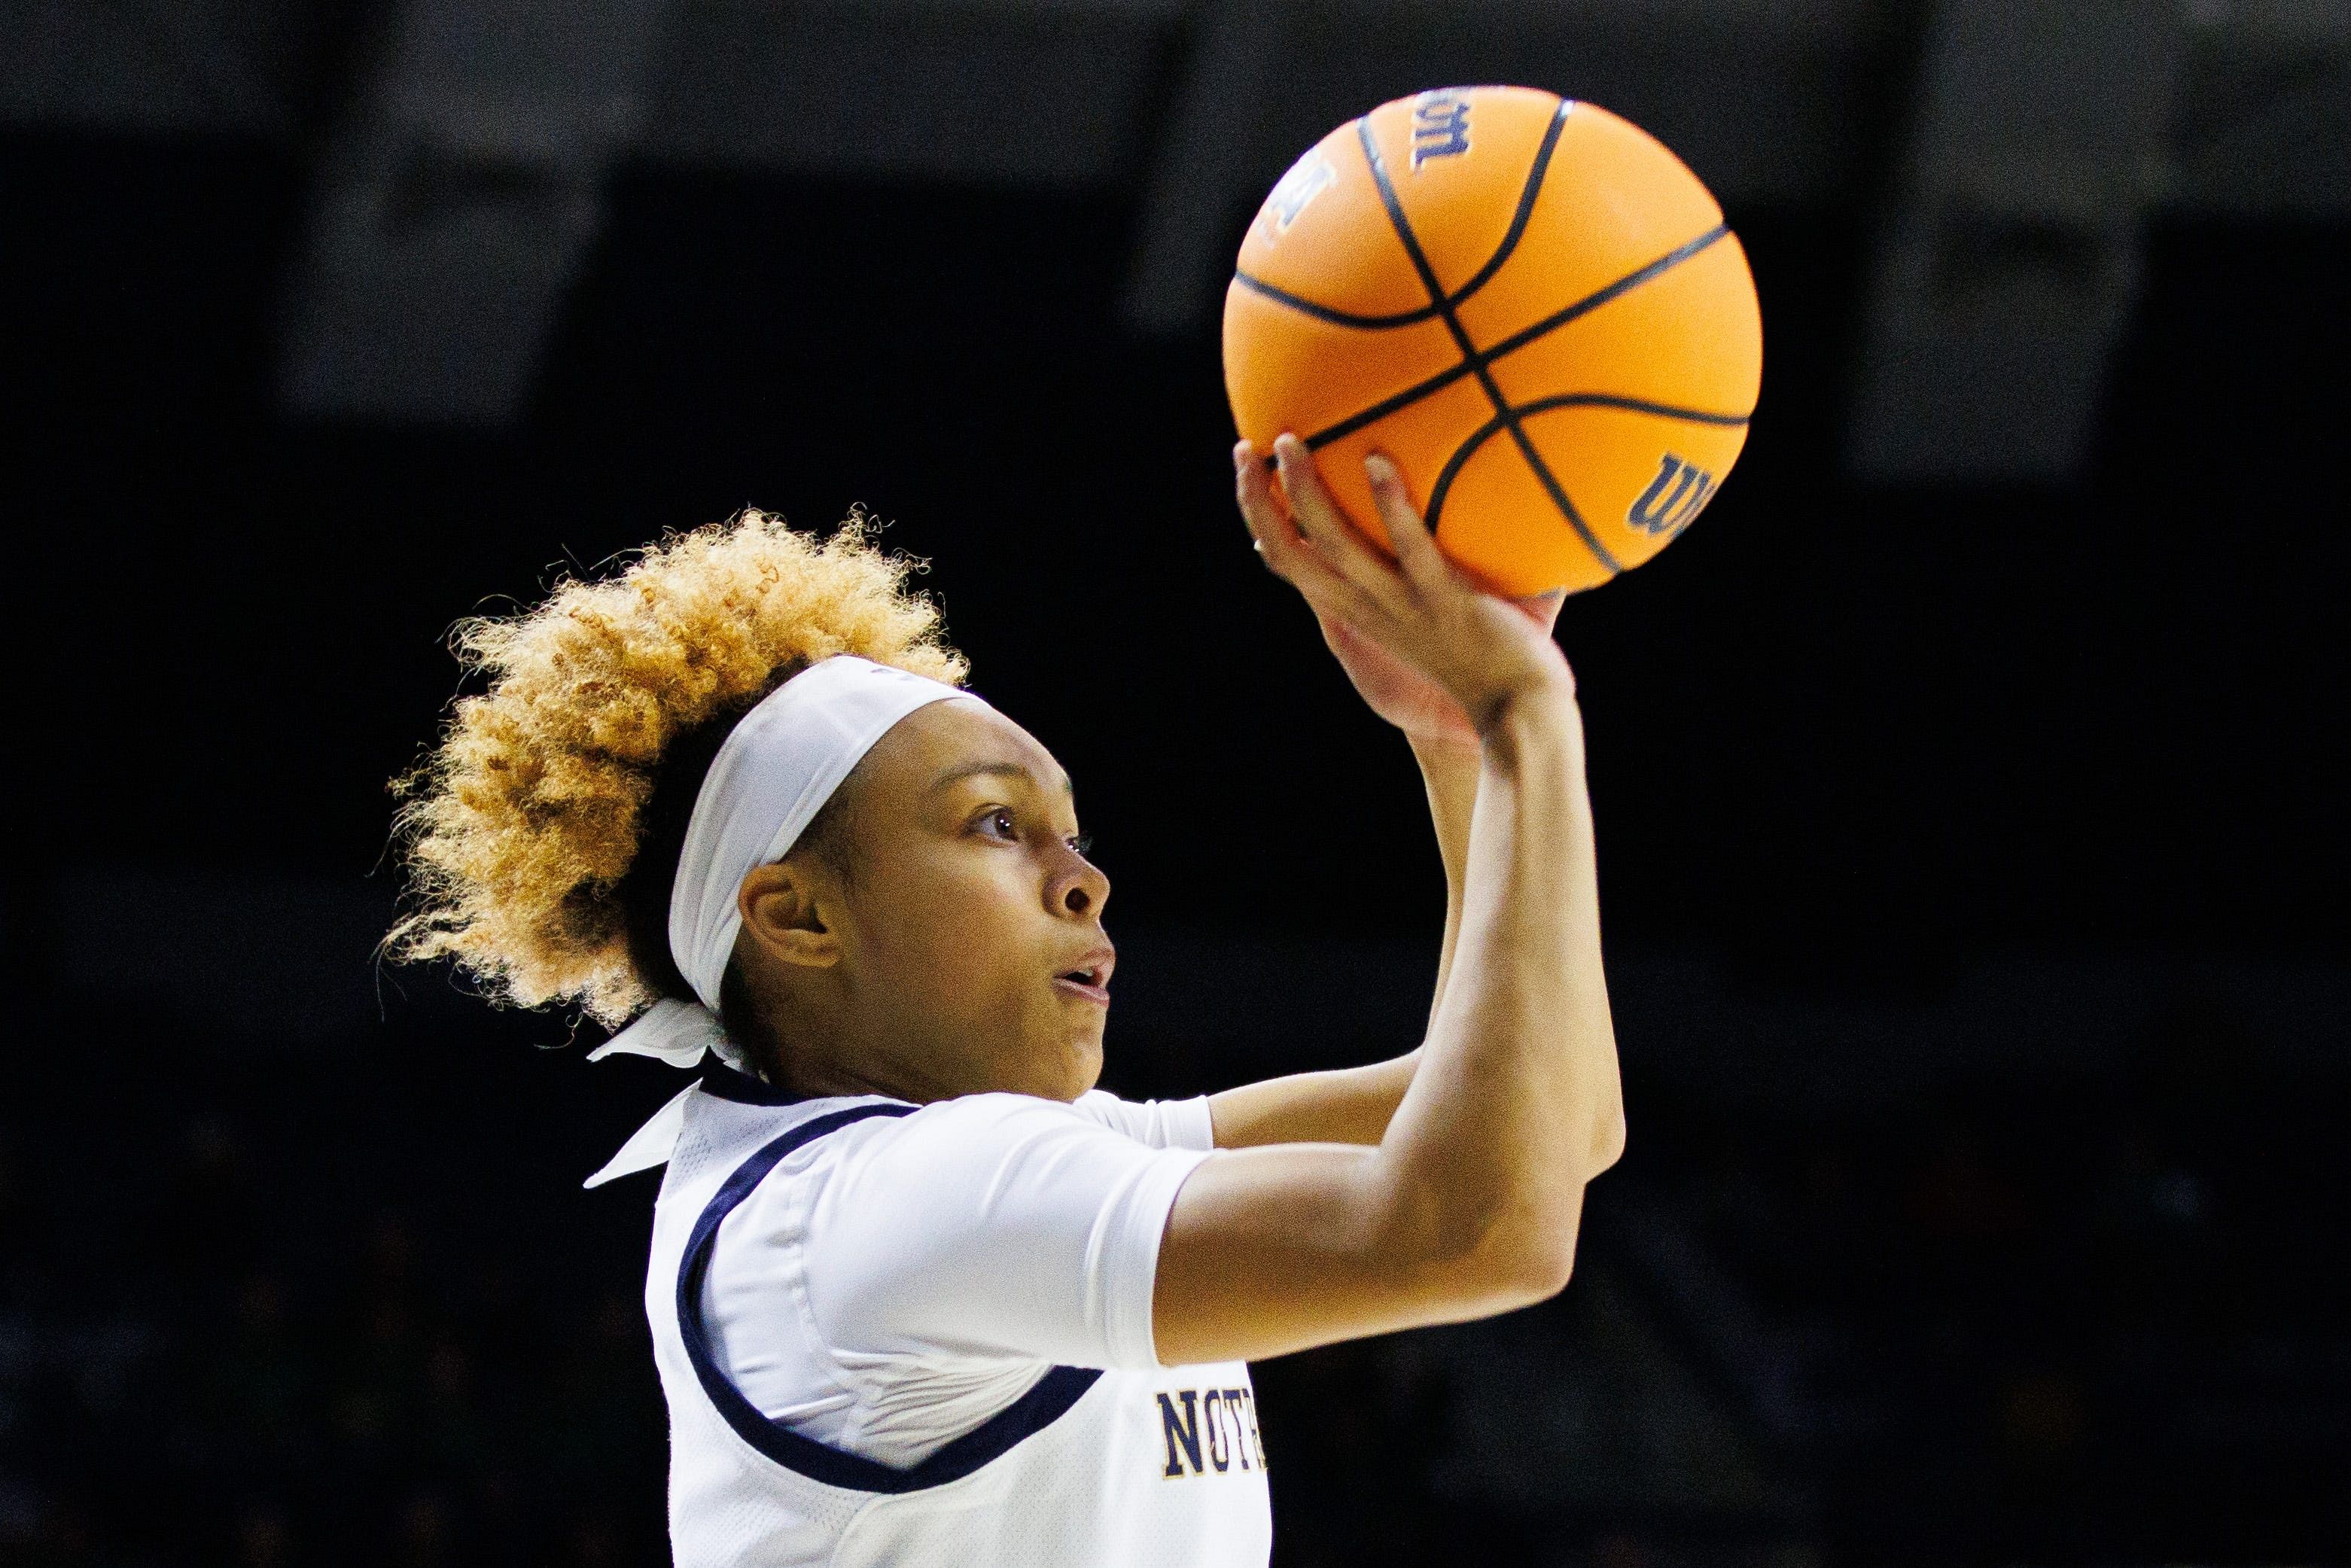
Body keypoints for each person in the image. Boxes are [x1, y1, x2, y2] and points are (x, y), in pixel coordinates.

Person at [388, 437, 1625, 1566]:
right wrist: (1524, 719)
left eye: (1071, 836)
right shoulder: (876, 1213)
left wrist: (1459, 743)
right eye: (996, 825)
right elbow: (1482, 1226)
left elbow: (1556, 1127)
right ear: (800, 916)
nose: (1082, 880)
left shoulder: (982, 1163)